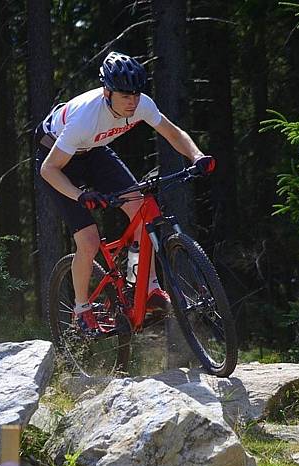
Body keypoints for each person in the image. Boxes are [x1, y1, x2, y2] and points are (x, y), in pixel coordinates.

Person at [35, 51, 216, 335]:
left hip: (94, 151)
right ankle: (81, 309)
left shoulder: (141, 104)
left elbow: (173, 133)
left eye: (135, 94)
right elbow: (49, 170)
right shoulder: (85, 117)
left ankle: (147, 287)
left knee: (141, 208)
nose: (132, 102)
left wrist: (197, 157)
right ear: (107, 93)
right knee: (89, 239)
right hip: (57, 158)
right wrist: (81, 196)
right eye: (124, 96)